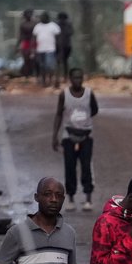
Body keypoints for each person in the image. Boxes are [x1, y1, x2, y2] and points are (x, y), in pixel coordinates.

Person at [52, 68, 100, 211]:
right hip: (69, 136)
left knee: (87, 166)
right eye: (75, 78)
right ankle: (71, 198)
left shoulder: (89, 94)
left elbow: (95, 109)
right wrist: (54, 136)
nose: (78, 81)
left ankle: (88, 198)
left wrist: (84, 120)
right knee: (70, 167)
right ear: (70, 79)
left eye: (80, 78)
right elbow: (59, 114)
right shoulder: (64, 95)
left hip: (86, 136)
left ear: (83, 79)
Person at [33, 12, 62, 88]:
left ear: (47, 18)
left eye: (43, 17)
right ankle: (43, 81)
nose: (42, 19)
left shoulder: (53, 26)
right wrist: (33, 49)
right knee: (42, 66)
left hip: (50, 49)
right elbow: (34, 38)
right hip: (40, 49)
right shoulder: (37, 26)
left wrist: (59, 49)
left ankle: (50, 79)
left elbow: (58, 38)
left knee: (50, 66)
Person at [19, 9, 37, 77]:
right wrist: (18, 45)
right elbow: (21, 35)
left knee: (34, 59)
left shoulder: (35, 23)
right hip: (26, 42)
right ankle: (27, 74)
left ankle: (32, 73)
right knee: (26, 59)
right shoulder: (22, 24)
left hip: (34, 42)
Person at [56, 12, 74, 77]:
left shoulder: (68, 24)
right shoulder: (57, 25)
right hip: (60, 45)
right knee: (60, 61)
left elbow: (71, 32)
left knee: (64, 61)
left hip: (66, 45)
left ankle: (65, 75)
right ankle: (60, 75)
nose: (62, 20)